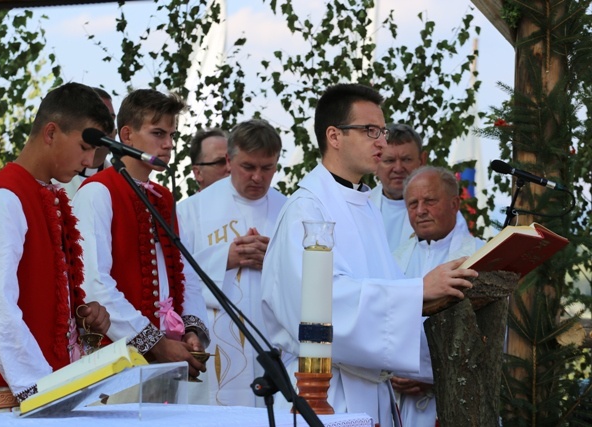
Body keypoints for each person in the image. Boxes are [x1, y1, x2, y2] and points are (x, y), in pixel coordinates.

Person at [260, 83, 478, 426]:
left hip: (371, 388)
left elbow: (386, 289)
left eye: (383, 130)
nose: (382, 141)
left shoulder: (365, 206)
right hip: (326, 391)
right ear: (334, 136)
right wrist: (419, 291)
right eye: (370, 131)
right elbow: (320, 306)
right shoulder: (307, 210)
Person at [0, 82, 114, 416]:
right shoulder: (2, 199)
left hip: (38, 390)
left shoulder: (43, 196)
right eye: (84, 147)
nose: (88, 161)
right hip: (6, 396)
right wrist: (47, 392)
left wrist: (81, 319)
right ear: (51, 132)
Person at [72, 89, 209, 380]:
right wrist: (154, 342)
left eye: (172, 135)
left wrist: (192, 330)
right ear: (127, 135)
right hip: (114, 360)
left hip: (165, 359)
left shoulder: (163, 197)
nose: (168, 144)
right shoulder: (98, 192)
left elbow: (185, 275)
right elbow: (95, 284)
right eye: (158, 133)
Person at [177, 119, 286, 406]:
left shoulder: (290, 210)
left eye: (268, 168)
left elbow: (314, 279)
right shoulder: (191, 211)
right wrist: (226, 258)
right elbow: (175, 277)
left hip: (274, 340)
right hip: (214, 341)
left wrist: (274, 261)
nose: (258, 178)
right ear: (229, 160)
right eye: (248, 167)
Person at [391, 166, 485, 427]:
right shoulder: (393, 260)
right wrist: (388, 372)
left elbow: (493, 336)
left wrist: (431, 375)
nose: (420, 210)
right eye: (412, 203)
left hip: (460, 404)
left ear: (455, 203)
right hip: (402, 406)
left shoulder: (481, 256)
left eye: (430, 201)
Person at [369, 123, 426, 251]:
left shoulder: (441, 209)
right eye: (389, 160)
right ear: (375, 164)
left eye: (406, 159)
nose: (398, 168)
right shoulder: (359, 209)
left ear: (422, 161)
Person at [58, 87, 116, 199]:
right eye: (99, 118)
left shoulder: (123, 182)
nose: (107, 125)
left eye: (111, 119)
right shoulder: (50, 180)